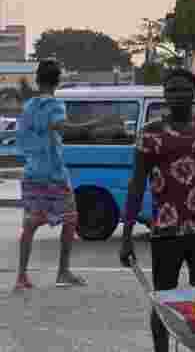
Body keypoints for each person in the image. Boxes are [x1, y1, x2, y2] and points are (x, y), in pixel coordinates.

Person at [120, 68, 195, 352]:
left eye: (184, 89)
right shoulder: (150, 133)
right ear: (164, 95)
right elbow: (136, 185)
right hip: (165, 232)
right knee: (164, 302)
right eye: (171, 90)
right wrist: (126, 236)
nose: (178, 95)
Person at [13, 60, 119, 292]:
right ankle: (63, 271)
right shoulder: (54, 105)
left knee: (29, 224)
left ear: (38, 79)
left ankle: (21, 276)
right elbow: (64, 128)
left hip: (32, 172)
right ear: (58, 81)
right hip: (54, 173)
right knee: (70, 219)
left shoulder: (29, 106)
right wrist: (95, 123)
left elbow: (24, 137)